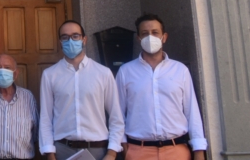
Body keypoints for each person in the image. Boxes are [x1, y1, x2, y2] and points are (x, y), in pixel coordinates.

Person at [115, 14, 207, 160]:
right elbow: (118, 113)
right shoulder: (126, 71)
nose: (150, 37)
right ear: (139, 39)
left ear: (164, 37)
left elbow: (192, 111)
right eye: (145, 33)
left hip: (176, 150)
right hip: (138, 151)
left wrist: (199, 149)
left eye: (155, 33)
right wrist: (123, 145)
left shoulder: (180, 70)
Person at [40, 20, 124, 160]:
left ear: (84, 40)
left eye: (75, 36)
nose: (70, 40)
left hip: (98, 150)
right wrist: (49, 153)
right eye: (65, 37)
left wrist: (112, 152)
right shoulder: (50, 75)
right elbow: (45, 118)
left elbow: (116, 117)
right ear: (60, 41)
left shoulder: (103, 73)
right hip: (62, 150)